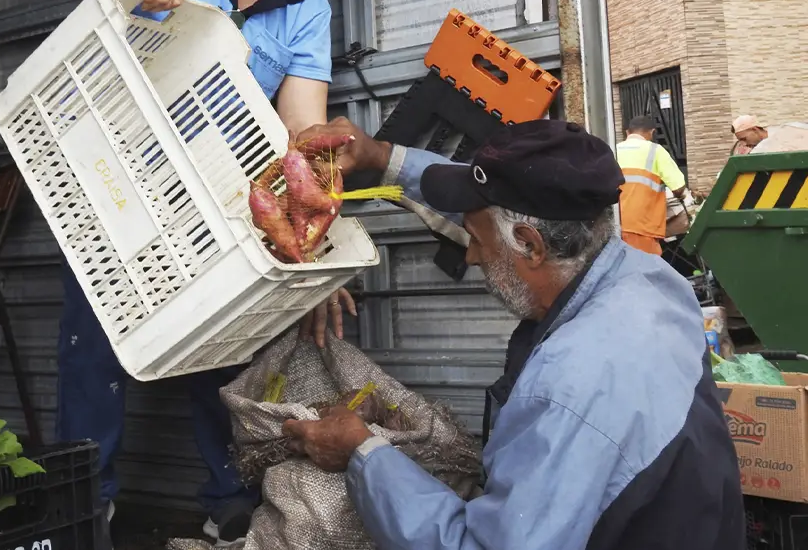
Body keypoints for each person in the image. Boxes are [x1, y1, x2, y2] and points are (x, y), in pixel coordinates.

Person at [17, 0, 356, 543]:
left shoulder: (305, 6)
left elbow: (300, 143)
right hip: (104, 172)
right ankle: (87, 506)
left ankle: (228, 505)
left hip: (204, 196)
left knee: (226, 336)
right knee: (98, 347)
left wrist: (314, 248)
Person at [285, 117, 744, 550]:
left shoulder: (567, 388)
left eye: (477, 242)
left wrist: (363, 453)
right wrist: (382, 156)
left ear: (530, 244)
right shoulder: (652, 280)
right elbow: (490, 204)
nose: (471, 259)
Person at [614, 115, 692, 256]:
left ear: (627, 132)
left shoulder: (614, 149)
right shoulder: (655, 151)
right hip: (641, 225)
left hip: (613, 224)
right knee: (645, 271)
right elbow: (678, 187)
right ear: (652, 132)